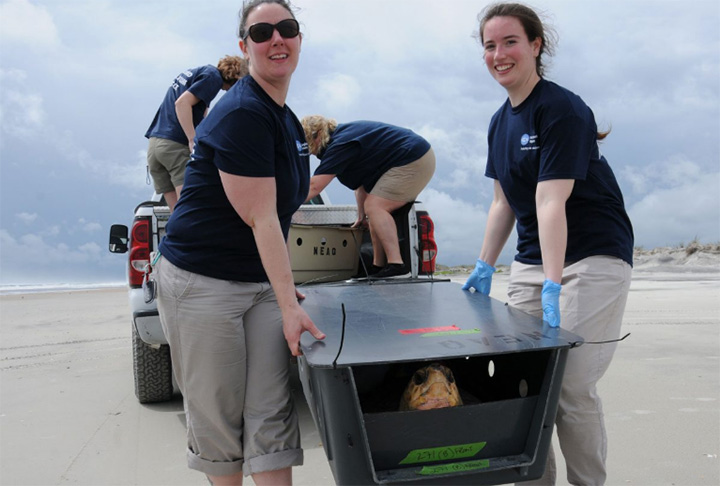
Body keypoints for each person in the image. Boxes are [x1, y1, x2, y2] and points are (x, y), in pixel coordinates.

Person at [154, 1, 325, 485]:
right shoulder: (243, 110)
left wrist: (283, 290)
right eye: (262, 31)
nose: (277, 38)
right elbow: (261, 215)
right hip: (201, 281)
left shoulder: (286, 119)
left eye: (287, 28)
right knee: (219, 418)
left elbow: (285, 208)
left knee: (271, 412)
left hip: (257, 283)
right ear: (244, 46)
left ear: (298, 38)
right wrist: (290, 303)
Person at [463, 3, 634, 485]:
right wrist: (483, 266)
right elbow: (502, 204)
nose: (499, 54)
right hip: (532, 261)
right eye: (490, 45)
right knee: (527, 387)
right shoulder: (499, 123)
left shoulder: (561, 108)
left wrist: (555, 284)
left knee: (571, 387)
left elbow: (549, 201)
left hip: (592, 256)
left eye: (510, 42)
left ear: (536, 45)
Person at [301, 116, 436, 278]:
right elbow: (361, 186)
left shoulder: (340, 144)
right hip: (410, 155)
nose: (310, 149)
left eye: (309, 141)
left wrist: (283, 205)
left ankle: (397, 265)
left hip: (414, 157)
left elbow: (314, 187)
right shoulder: (342, 140)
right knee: (372, 211)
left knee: (375, 207)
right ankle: (377, 266)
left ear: (320, 133)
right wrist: (361, 215)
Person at [145, 55, 248, 211]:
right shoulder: (213, 78)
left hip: (155, 145)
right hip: (174, 146)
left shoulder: (200, 72)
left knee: (177, 214)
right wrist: (192, 139)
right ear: (237, 77)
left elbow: (202, 112)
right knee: (188, 208)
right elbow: (182, 103)